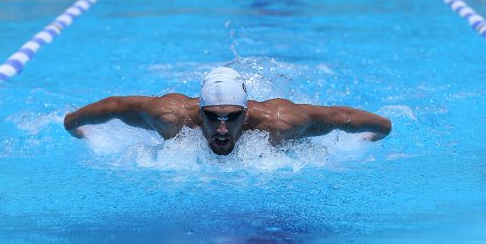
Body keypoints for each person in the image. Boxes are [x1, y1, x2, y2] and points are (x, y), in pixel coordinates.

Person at [64, 67, 391, 155]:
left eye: (233, 117)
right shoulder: (172, 117)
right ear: (200, 112)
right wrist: (72, 125)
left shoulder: (280, 122)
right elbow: (114, 106)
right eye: (213, 117)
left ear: (246, 114)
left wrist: (379, 132)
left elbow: (338, 117)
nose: (222, 128)